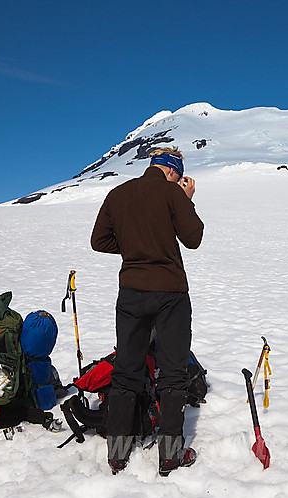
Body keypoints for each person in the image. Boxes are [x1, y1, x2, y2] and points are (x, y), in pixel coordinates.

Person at [91, 146, 204, 476]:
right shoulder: (172, 193)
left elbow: (99, 241)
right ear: (172, 171)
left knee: (126, 369)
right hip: (170, 293)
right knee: (172, 371)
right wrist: (186, 199)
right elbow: (193, 237)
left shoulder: (118, 193)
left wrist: (132, 246)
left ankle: (117, 453)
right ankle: (170, 456)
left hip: (131, 292)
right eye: (180, 176)